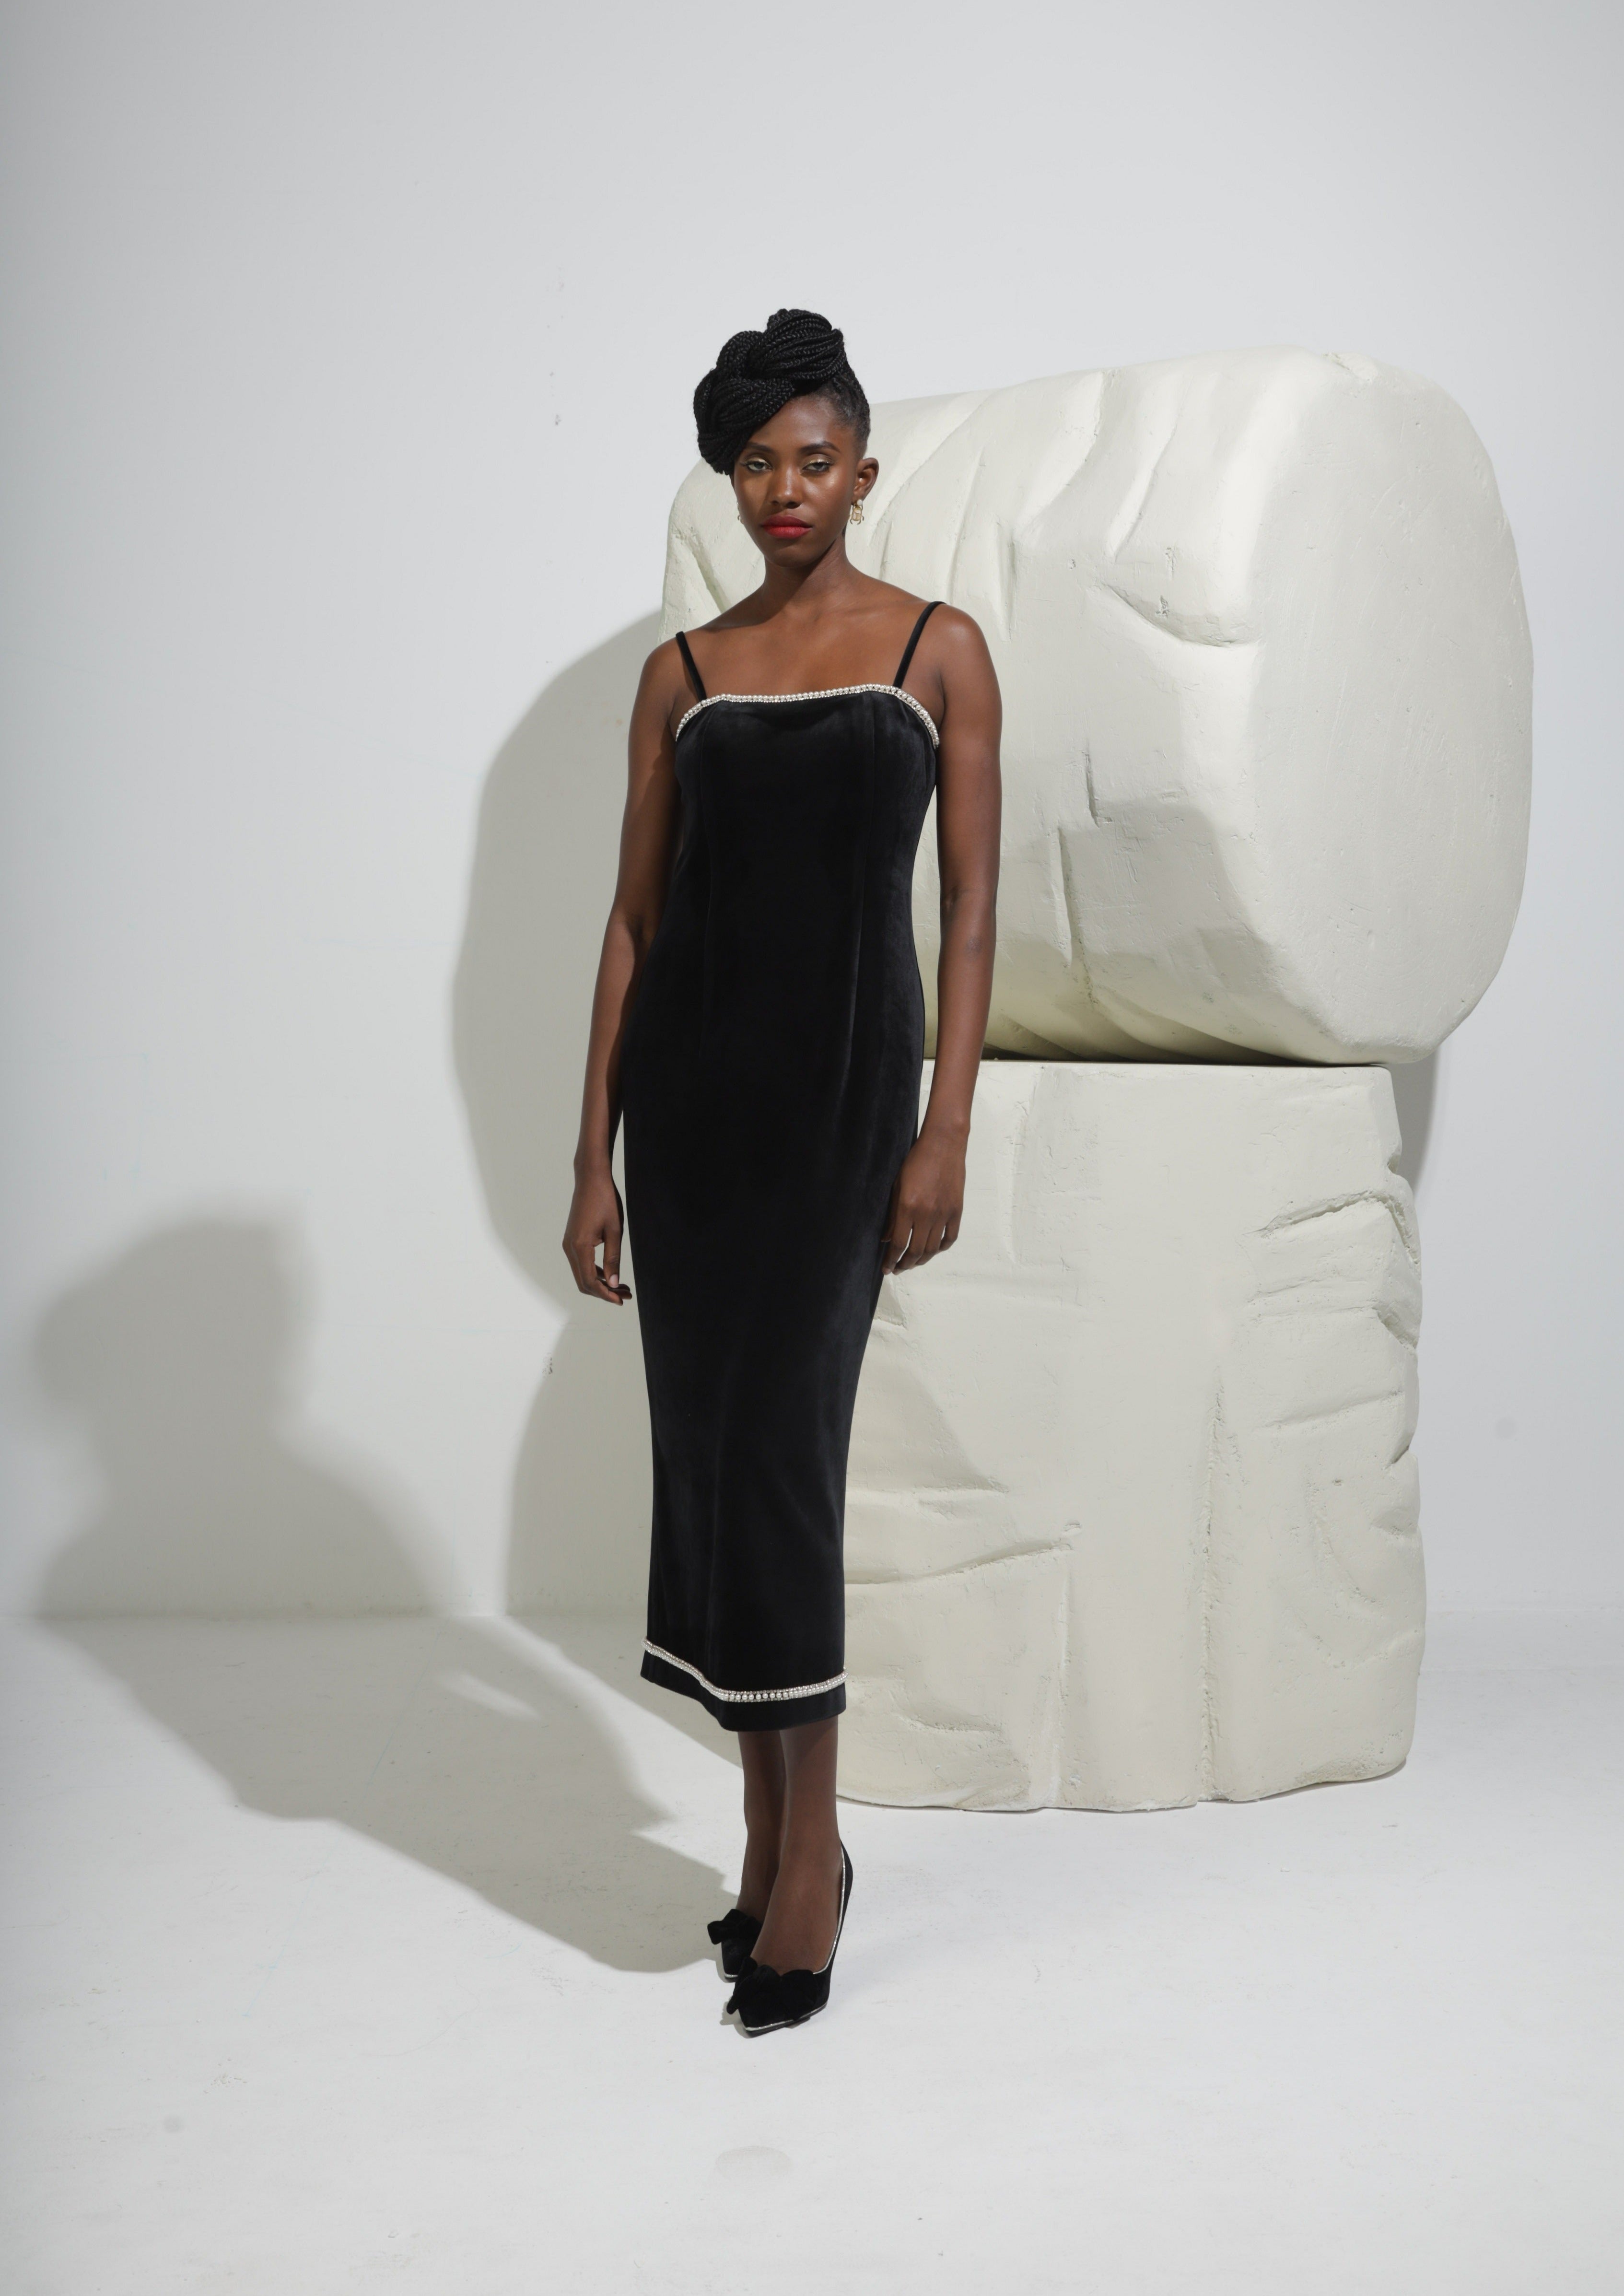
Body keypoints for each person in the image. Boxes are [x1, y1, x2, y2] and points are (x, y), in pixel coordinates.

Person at [563, 309, 1001, 2034]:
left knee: (786, 1465)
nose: (785, 489)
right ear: (729, 484)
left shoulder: (939, 652)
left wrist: (943, 1124)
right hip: (687, 1124)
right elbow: (632, 920)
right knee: (717, 1463)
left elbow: (972, 910)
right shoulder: (682, 675)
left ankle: (808, 1851)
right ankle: (766, 1837)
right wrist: (590, 1156)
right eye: (755, 464)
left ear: (864, 473)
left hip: (838, 1114)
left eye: (814, 459)